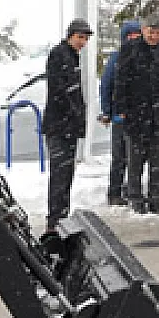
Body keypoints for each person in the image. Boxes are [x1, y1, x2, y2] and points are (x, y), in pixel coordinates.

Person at [115, 14, 159, 216]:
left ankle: (155, 200)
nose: (154, 36)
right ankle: (135, 199)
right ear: (143, 30)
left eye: (158, 32)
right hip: (135, 113)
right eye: (151, 31)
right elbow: (121, 80)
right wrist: (121, 108)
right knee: (135, 161)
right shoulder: (130, 49)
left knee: (156, 162)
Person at [42, 18, 92, 229]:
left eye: (85, 38)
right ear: (70, 35)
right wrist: (73, 113)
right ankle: (55, 218)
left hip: (68, 126)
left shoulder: (72, 57)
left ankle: (62, 213)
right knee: (60, 174)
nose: (83, 42)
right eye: (80, 37)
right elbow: (61, 91)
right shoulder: (59, 55)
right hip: (59, 126)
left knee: (66, 174)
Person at [98, 20, 142, 206]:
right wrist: (107, 111)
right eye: (131, 36)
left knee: (136, 157)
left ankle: (130, 189)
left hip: (138, 117)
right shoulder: (116, 59)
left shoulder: (143, 57)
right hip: (120, 116)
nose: (134, 40)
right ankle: (114, 192)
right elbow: (106, 86)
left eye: (137, 36)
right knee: (120, 157)